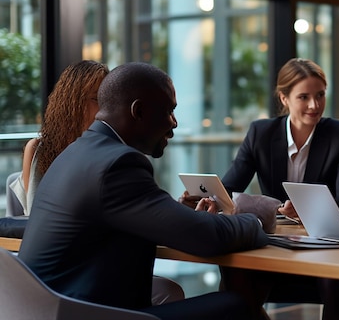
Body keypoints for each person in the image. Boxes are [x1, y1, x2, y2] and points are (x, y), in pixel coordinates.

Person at [18, 62, 271, 320]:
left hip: (51, 309)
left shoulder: (78, 152)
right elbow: (206, 237)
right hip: (86, 312)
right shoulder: (117, 164)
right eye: (169, 111)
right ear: (138, 111)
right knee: (236, 305)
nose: (174, 123)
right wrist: (255, 221)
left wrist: (177, 211)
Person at [218, 58, 339, 320]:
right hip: (273, 242)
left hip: (322, 242)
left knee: (336, 279)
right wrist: (205, 196)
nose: (314, 105)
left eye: (320, 95)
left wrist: (308, 209)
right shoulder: (260, 133)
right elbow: (229, 187)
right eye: (303, 97)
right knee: (234, 270)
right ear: (284, 98)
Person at [10, 60, 109, 216]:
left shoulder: (109, 148)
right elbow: (36, 214)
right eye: (96, 99)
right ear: (73, 102)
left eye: (106, 99)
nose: (104, 107)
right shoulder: (39, 149)